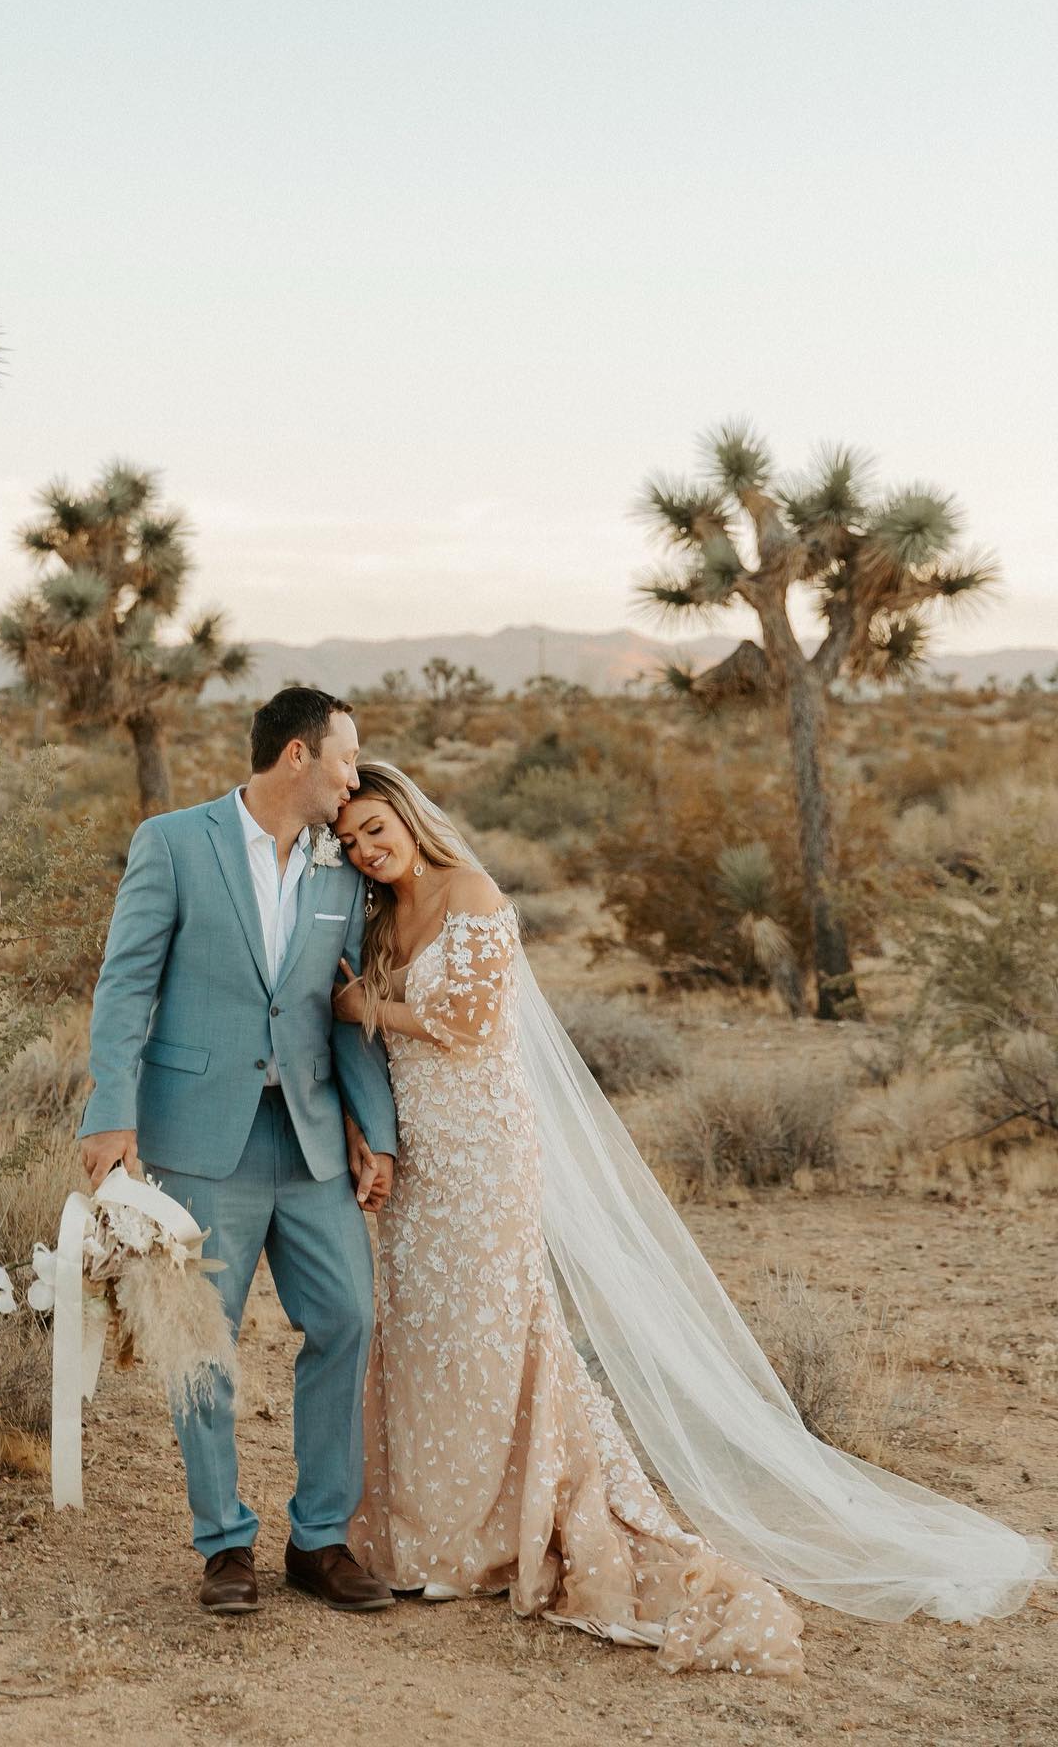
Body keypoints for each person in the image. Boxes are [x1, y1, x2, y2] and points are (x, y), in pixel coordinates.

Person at [333, 761, 1050, 1678]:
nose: (366, 847)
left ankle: (496, 1538)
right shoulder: (377, 916)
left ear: (408, 813)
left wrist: (368, 1007)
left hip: (485, 1146)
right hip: (422, 1147)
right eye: (350, 840)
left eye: (375, 827)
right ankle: (432, 1538)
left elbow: (472, 1023)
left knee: (490, 1328)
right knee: (426, 1332)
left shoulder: (471, 891)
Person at [78, 689, 399, 1616]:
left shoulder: (342, 873)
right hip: (197, 1134)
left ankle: (321, 1538)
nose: (353, 777)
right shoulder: (174, 843)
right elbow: (125, 983)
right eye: (344, 758)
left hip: (307, 1137)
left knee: (346, 1319)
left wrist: (371, 1133)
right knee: (200, 1339)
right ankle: (224, 1543)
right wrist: (109, 1112)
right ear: (297, 756)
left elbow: (342, 1016)